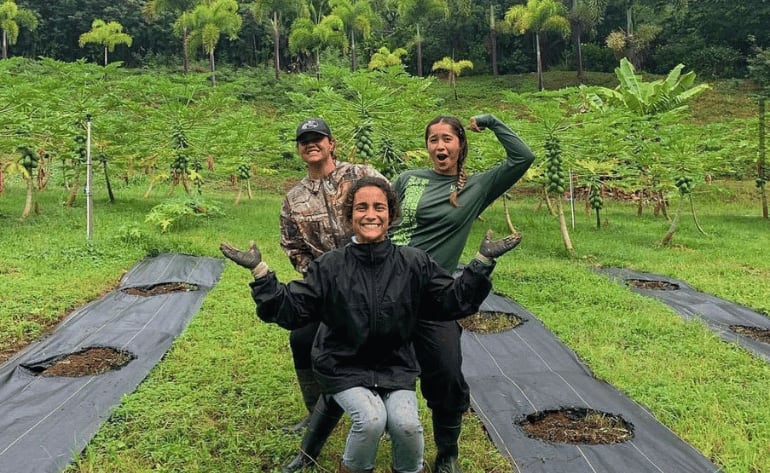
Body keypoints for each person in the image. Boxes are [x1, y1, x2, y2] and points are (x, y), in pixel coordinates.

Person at [220, 176, 521, 473]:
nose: (371, 214)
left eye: (379, 207)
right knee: (371, 419)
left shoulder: (414, 262)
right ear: (350, 217)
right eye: (361, 208)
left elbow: (452, 301)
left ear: (391, 215)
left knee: (406, 426)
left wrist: (481, 262)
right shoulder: (330, 265)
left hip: (395, 367)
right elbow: (291, 310)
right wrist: (260, 271)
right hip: (343, 365)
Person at [390, 114, 535, 473]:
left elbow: (523, 158)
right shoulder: (408, 180)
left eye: (447, 139)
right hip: (387, 289)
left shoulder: (476, 187)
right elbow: (377, 218)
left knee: (448, 377)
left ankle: (447, 452)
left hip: (435, 296)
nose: (439, 146)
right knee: (374, 366)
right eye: (433, 139)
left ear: (460, 144)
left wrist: (491, 121)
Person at [278, 118, 385, 471]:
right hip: (326, 286)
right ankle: (315, 412)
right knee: (302, 339)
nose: (311, 144)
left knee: (375, 341)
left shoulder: (361, 174)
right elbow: (293, 245)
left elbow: (389, 213)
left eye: (317, 138)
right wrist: (318, 277)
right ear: (300, 149)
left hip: (373, 278)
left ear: (331, 143)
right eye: (304, 140)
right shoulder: (294, 198)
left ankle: (381, 409)